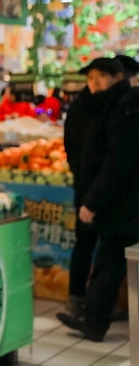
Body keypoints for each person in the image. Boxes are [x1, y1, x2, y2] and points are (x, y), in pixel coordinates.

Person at [58, 57, 139, 341]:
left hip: (120, 200)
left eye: (102, 77)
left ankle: (94, 320)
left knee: (110, 258)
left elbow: (117, 161)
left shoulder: (125, 106)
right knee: (108, 257)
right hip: (108, 196)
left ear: (119, 77)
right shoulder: (99, 105)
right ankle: (91, 315)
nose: (96, 83)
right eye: (91, 78)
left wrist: (94, 199)